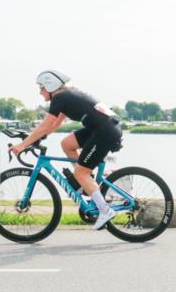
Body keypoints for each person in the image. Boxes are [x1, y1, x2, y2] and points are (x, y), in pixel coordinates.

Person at [10, 70, 123, 230]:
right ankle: (87, 184)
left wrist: (23, 145)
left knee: (80, 172)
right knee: (67, 144)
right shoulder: (67, 95)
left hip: (104, 131)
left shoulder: (60, 97)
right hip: (103, 128)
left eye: (42, 88)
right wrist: (36, 138)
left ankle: (105, 211)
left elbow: (44, 125)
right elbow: (54, 124)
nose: (40, 92)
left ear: (50, 85)